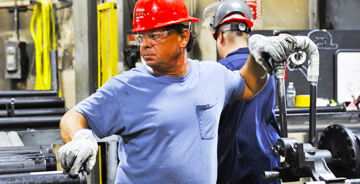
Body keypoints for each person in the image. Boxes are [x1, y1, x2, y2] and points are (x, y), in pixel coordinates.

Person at [57, 0, 300, 183]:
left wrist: (260, 56)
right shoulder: (126, 88)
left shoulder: (213, 76)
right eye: (142, 36)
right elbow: (73, 117)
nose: (145, 44)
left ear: (183, 37)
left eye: (155, 35)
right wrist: (80, 138)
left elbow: (248, 85)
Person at [209, 0, 281, 183]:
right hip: (269, 167)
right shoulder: (266, 70)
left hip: (232, 171)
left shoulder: (218, 72)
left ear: (220, 37)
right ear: (248, 35)